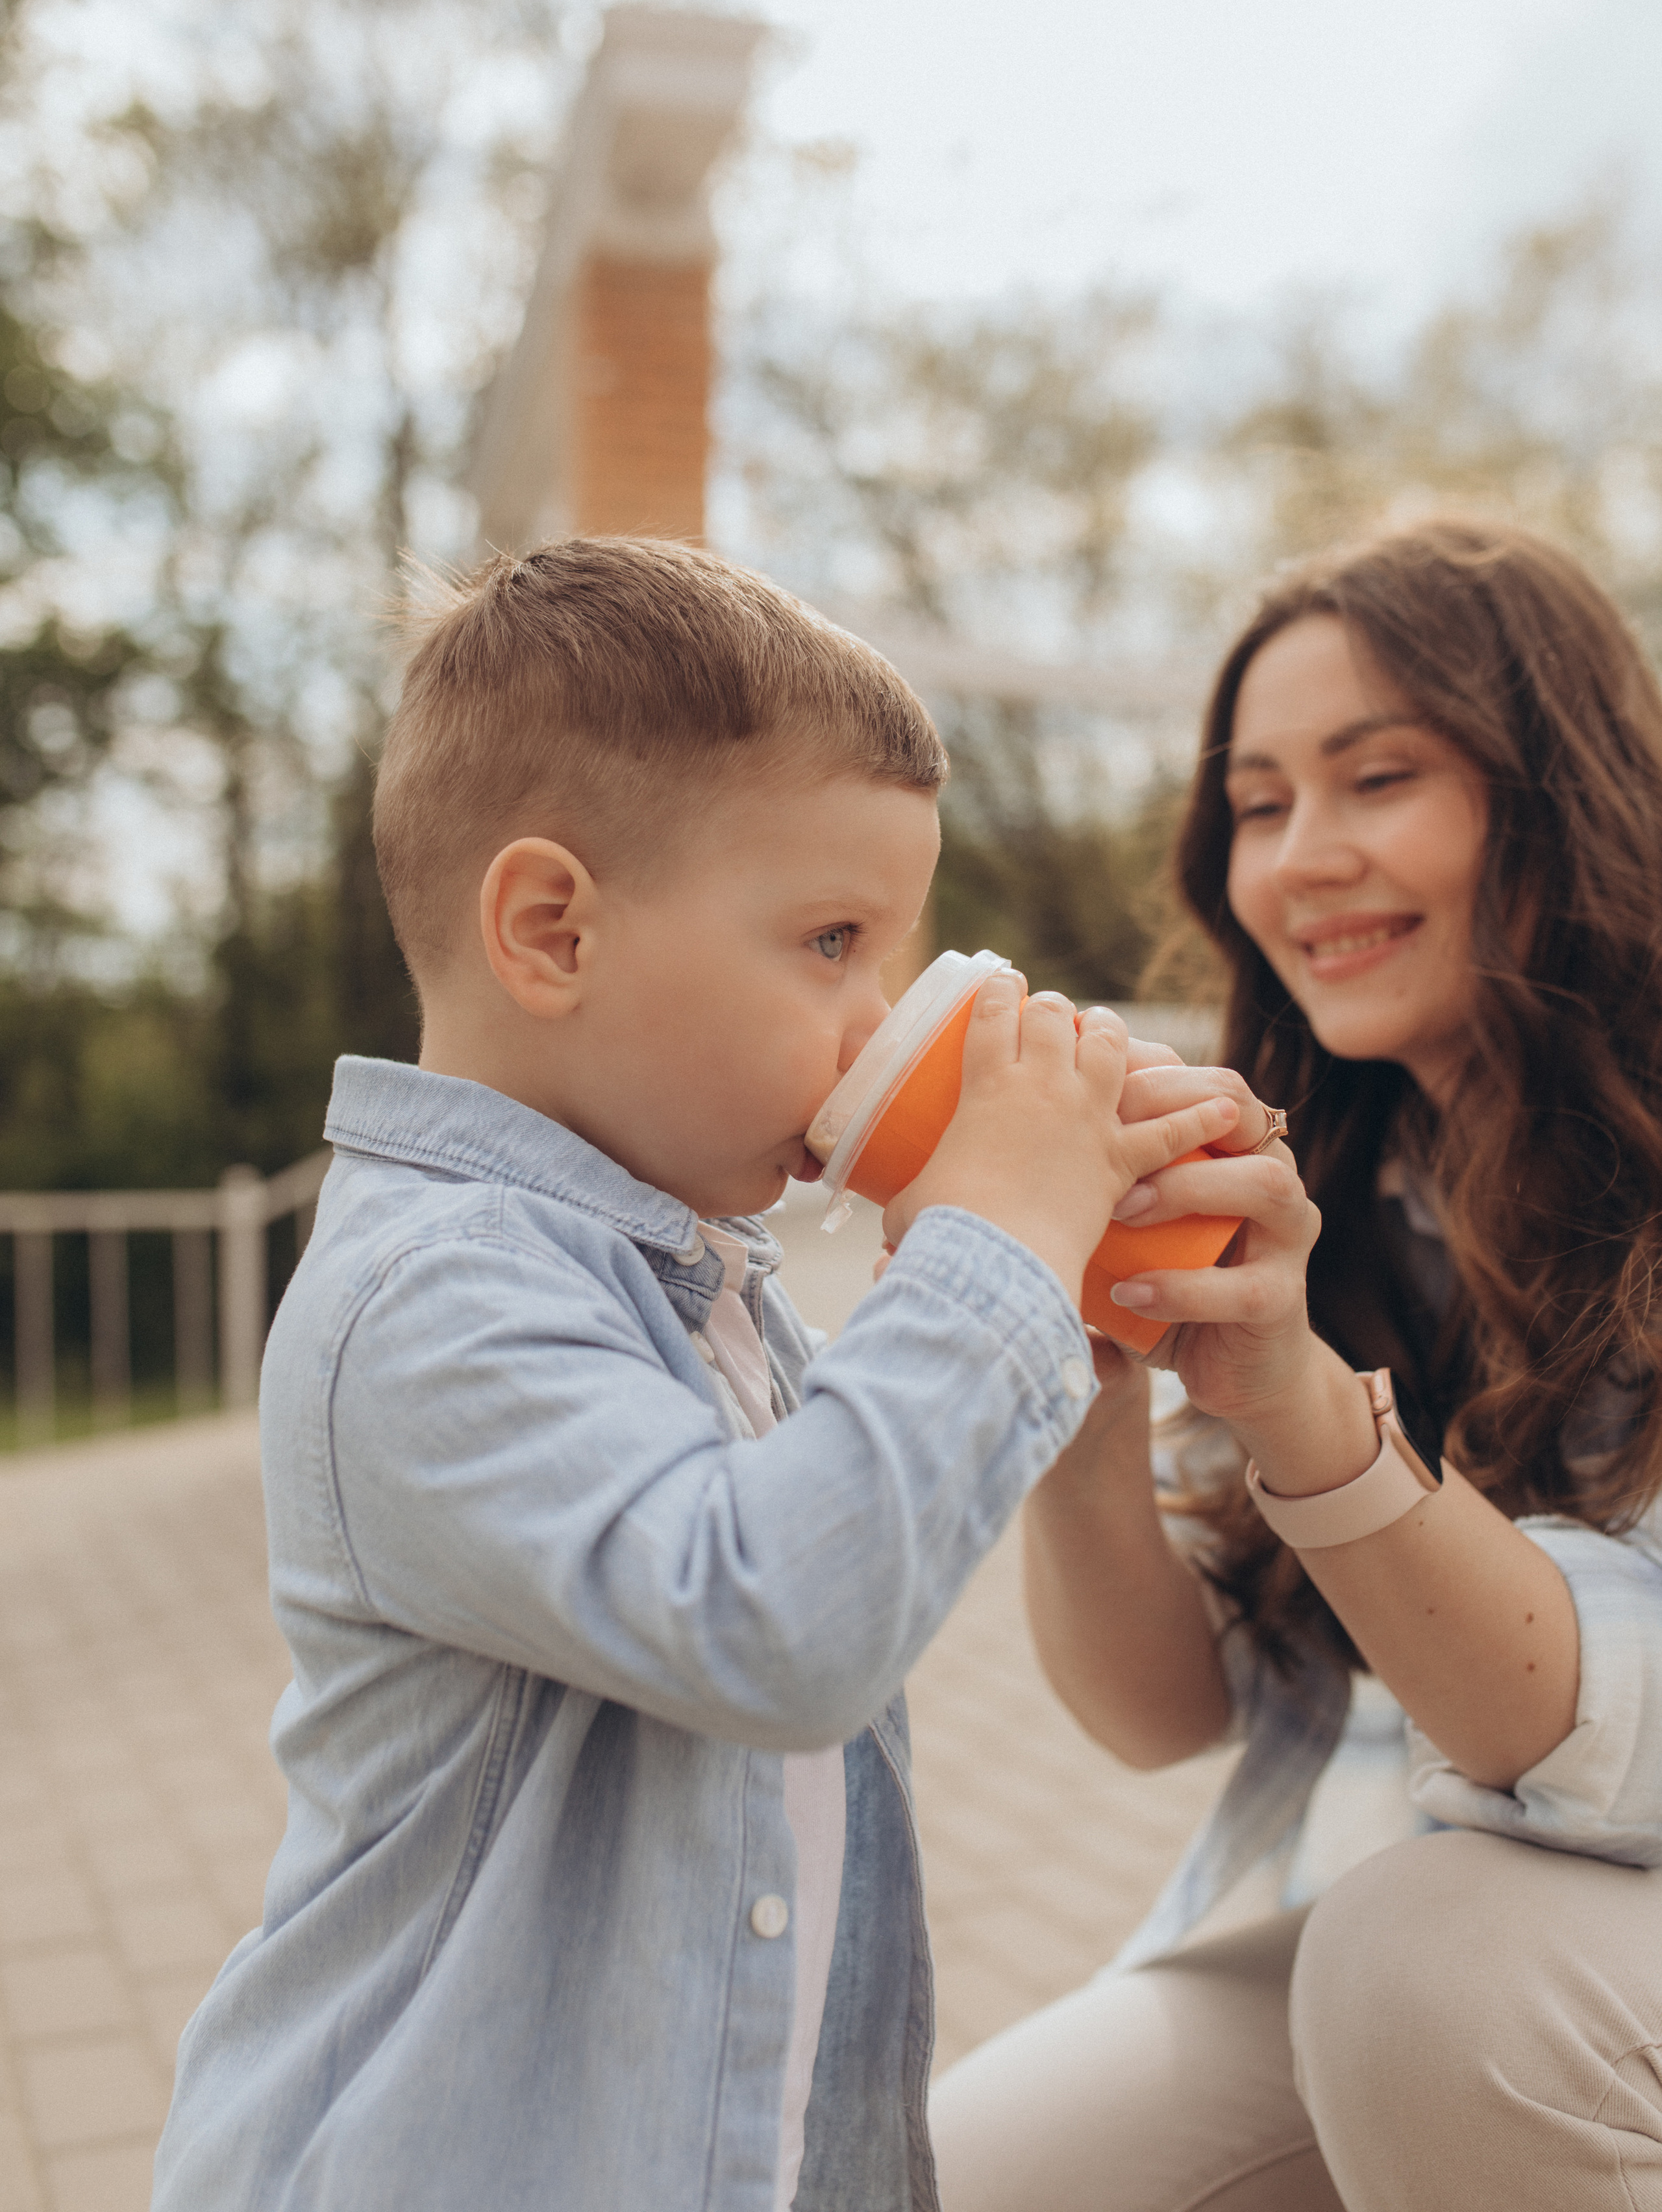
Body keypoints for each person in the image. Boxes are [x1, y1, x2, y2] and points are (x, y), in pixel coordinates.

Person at [149, 536, 1245, 2212]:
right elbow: (772, 1618)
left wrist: (1062, 1329)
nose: (869, 1018)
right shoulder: (431, 1296)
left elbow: (836, 1549)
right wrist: (993, 1259)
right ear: (552, 931)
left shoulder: (694, 1276)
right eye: (830, 942)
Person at [929, 522, 1662, 2212]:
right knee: (971, 2170)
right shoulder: (1329, 1161)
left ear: (1558, 798)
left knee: (1435, 1970)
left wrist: (1306, 1409)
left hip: (1532, 1933)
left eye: (1378, 778)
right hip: (1428, 1919)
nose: (1302, 859)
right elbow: (1167, 1709)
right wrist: (1081, 1392)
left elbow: (1594, 1736)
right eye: (1261, 805)